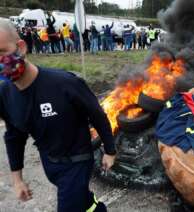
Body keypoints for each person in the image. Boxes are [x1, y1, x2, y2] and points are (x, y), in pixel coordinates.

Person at [0, 20, 116, 212]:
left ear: (20, 48)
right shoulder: (4, 95)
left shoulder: (65, 83)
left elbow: (97, 115)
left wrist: (110, 150)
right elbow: (14, 135)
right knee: (83, 202)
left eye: (1, 52)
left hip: (77, 161)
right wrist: (17, 179)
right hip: (50, 163)